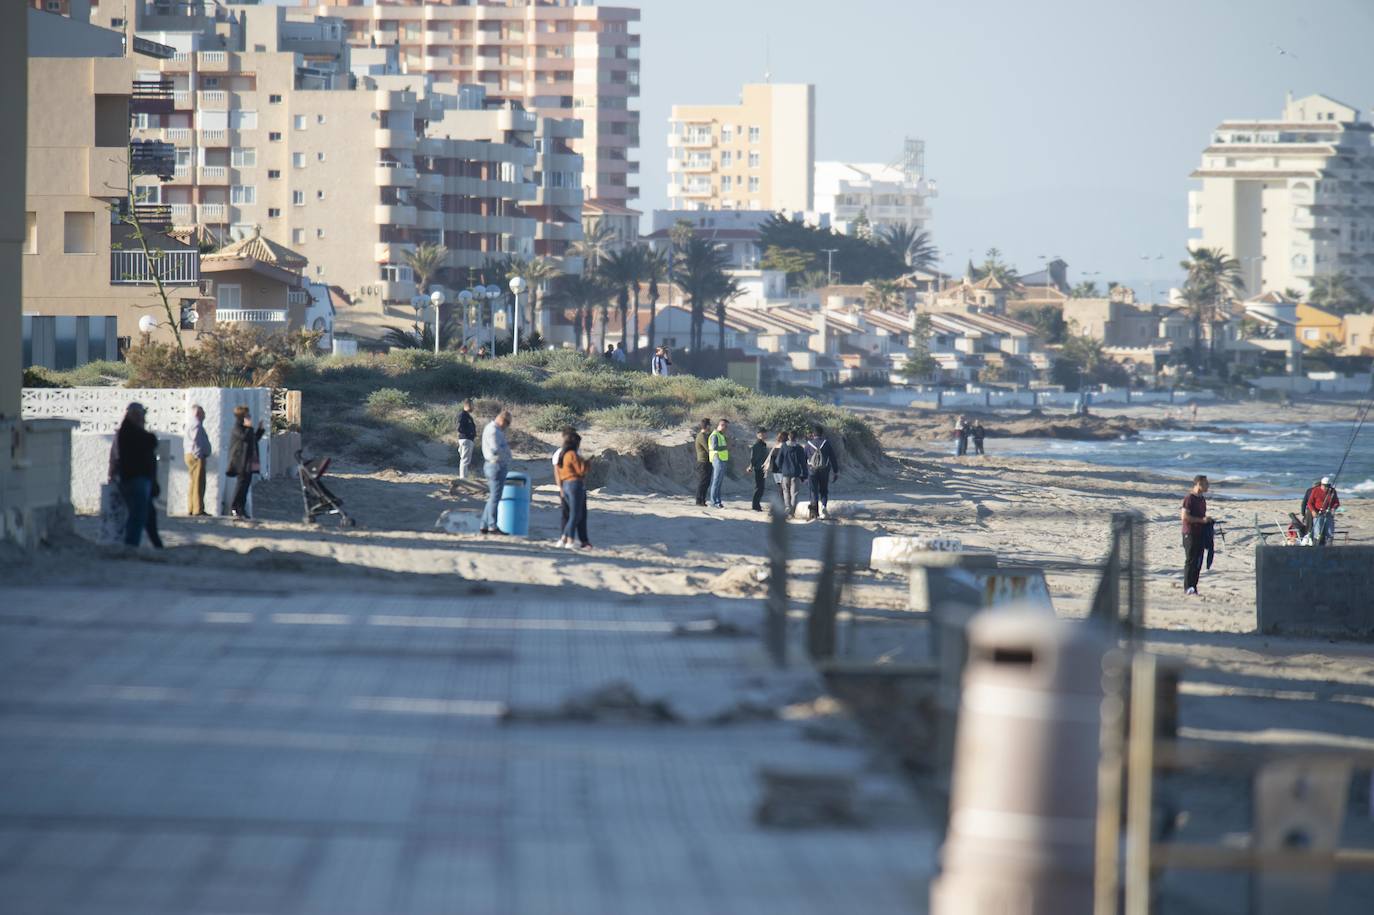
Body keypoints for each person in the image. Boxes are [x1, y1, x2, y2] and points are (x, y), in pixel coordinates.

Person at [114, 402, 162, 547]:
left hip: (138, 479)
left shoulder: (127, 431)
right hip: (136, 479)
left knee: (148, 515)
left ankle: (157, 545)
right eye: (141, 415)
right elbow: (150, 441)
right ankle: (131, 546)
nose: (143, 418)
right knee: (138, 515)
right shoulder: (129, 431)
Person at [554, 428, 592, 549]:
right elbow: (581, 471)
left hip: (565, 485)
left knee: (569, 514)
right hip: (575, 484)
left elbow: (557, 472)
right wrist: (588, 463)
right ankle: (567, 540)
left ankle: (565, 539)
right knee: (576, 515)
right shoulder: (572, 455)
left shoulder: (561, 454)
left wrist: (560, 488)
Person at [226, 405, 266, 521]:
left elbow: (253, 440)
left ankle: (241, 509)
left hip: (248, 462)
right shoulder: (237, 428)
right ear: (242, 416)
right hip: (240, 462)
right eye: (247, 415)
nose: (249, 417)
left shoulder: (246, 428)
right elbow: (244, 437)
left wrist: (260, 430)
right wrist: (249, 427)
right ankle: (234, 508)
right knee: (240, 486)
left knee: (245, 487)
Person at [480, 409, 513, 535]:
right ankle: (492, 526)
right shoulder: (493, 431)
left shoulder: (494, 429)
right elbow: (495, 449)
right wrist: (507, 449)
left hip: (494, 465)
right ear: (502, 420)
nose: (507, 427)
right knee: (495, 498)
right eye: (507, 424)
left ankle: (484, 524)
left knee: (493, 497)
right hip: (495, 465)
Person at [1180, 475, 1212, 595]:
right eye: (1206, 483)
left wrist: (1207, 521)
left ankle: (1194, 586)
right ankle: (1188, 587)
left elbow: (1201, 516)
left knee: (1198, 561)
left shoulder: (1202, 499)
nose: (1208, 486)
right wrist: (1201, 520)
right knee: (1191, 560)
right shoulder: (1189, 498)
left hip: (1200, 533)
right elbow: (1184, 517)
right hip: (1189, 533)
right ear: (1199, 483)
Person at [804, 425, 840, 520]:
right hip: (824, 470)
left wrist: (804, 473)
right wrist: (836, 471)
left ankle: (814, 513)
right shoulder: (826, 443)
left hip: (812, 471)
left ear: (813, 434)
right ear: (822, 433)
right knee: (824, 490)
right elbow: (833, 458)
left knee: (813, 491)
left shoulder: (808, 444)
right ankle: (823, 506)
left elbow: (804, 458)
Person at [183, 403, 211, 516]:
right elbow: (196, 441)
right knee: (199, 483)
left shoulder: (190, 424)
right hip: (197, 456)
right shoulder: (196, 425)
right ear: (198, 413)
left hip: (189, 454)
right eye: (203, 412)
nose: (204, 414)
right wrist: (199, 455)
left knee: (193, 482)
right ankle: (198, 509)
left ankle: (191, 507)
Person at [777, 431, 809, 518]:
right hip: (796, 474)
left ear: (788, 437)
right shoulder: (799, 448)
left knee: (786, 491)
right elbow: (803, 463)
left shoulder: (784, 446)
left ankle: (787, 507)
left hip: (785, 473)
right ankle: (792, 512)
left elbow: (778, 460)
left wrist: (782, 468)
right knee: (794, 493)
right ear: (796, 438)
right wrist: (805, 475)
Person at [1306, 476, 1340, 546]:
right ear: (1321, 484)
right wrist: (1313, 511)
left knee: (1330, 532)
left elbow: (1336, 502)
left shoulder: (1332, 491)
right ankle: (1316, 547)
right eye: (1324, 486)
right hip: (1318, 514)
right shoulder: (1315, 490)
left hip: (1328, 514)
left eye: (1328, 486)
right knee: (1317, 532)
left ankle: (1328, 548)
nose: (1326, 488)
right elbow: (1309, 503)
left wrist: (1333, 508)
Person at [708, 419, 730, 509]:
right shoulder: (714, 435)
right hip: (717, 459)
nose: (727, 429)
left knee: (719, 482)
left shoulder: (721, 435)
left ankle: (718, 501)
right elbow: (714, 447)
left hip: (722, 459)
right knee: (716, 481)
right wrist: (725, 447)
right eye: (726, 426)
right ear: (722, 425)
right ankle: (713, 502)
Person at [456, 399, 478, 480]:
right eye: (472, 405)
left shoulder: (467, 416)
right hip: (465, 439)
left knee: (465, 460)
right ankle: (463, 478)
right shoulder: (463, 415)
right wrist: (469, 434)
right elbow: (459, 427)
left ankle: (464, 477)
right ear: (468, 405)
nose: (473, 407)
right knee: (465, 460)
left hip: (467, 440)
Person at [749, 428, 769, 512]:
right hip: (758, 468)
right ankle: (755, 505)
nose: (763, 435)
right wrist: (750, 466)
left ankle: (757, 505)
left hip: (763, 468)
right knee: (758, 487)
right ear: (758, 435)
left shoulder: (763, 444)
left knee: (761, 488)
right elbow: (753, 457)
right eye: (761, 434)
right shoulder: (756, 445)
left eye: (764, 434)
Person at [693, 418, 712, 506]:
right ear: (707, 426)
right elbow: (708, 449)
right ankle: (699, 500)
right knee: (703, 481)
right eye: (709, 425)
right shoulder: (701, 436)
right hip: (703, 461)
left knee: (706, 482)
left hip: (706, 461)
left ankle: (702, 500)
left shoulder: (705, 435)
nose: (710, 427)